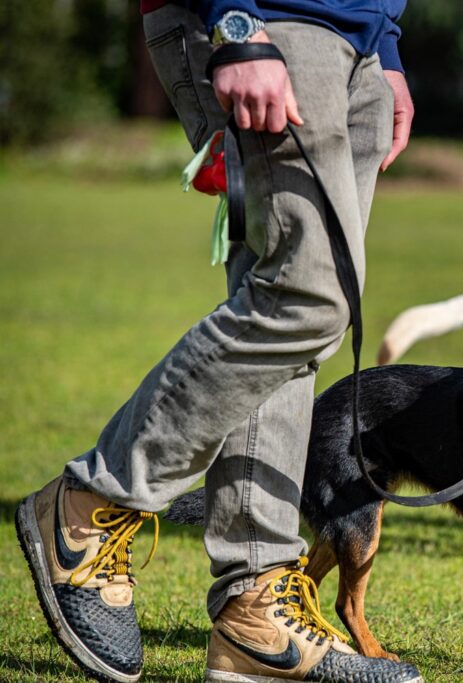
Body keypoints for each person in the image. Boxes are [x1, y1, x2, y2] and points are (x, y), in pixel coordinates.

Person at [15, 1, 423, 682]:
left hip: (357, 36)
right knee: (305, 298)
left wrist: (386, 40)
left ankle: (254, 607)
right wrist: (235, 18)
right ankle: (88, 504)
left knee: (292, 321)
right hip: (267, 20)